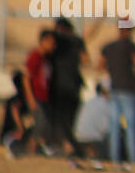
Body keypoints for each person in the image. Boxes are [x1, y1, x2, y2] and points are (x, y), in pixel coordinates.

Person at [99, 23, 135, 165]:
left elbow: (100, 65)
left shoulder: (109, 47)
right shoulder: (131, 46)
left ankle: (114, 160)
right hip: (128, 90)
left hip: (114, 89)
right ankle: (133, 160)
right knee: (130, 127)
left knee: (114, 128)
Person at [49, 18, 89, 156]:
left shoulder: (55, 41)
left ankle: (67, 147)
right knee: (71, 120)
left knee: (60, 119)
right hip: (74, 86)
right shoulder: (77, 41)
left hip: (58, 85)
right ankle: (71, 147)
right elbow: (85, 60)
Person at [24, 29, 57, 154]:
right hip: (36, 97)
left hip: (44, 97)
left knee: (45, 124)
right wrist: (31, 99)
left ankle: (36, 147)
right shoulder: (35, 56)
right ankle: (30, 149)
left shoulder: (46, 58)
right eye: (51, 43)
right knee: (40, 123)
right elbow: (26, 78)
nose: (53, 46)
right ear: (43, 42)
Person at [0, 70, 33, 155]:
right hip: (12, 133)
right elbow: (15, 110)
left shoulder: (12, 99)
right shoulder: (19, 100)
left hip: (6, 134)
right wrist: (20, 128)